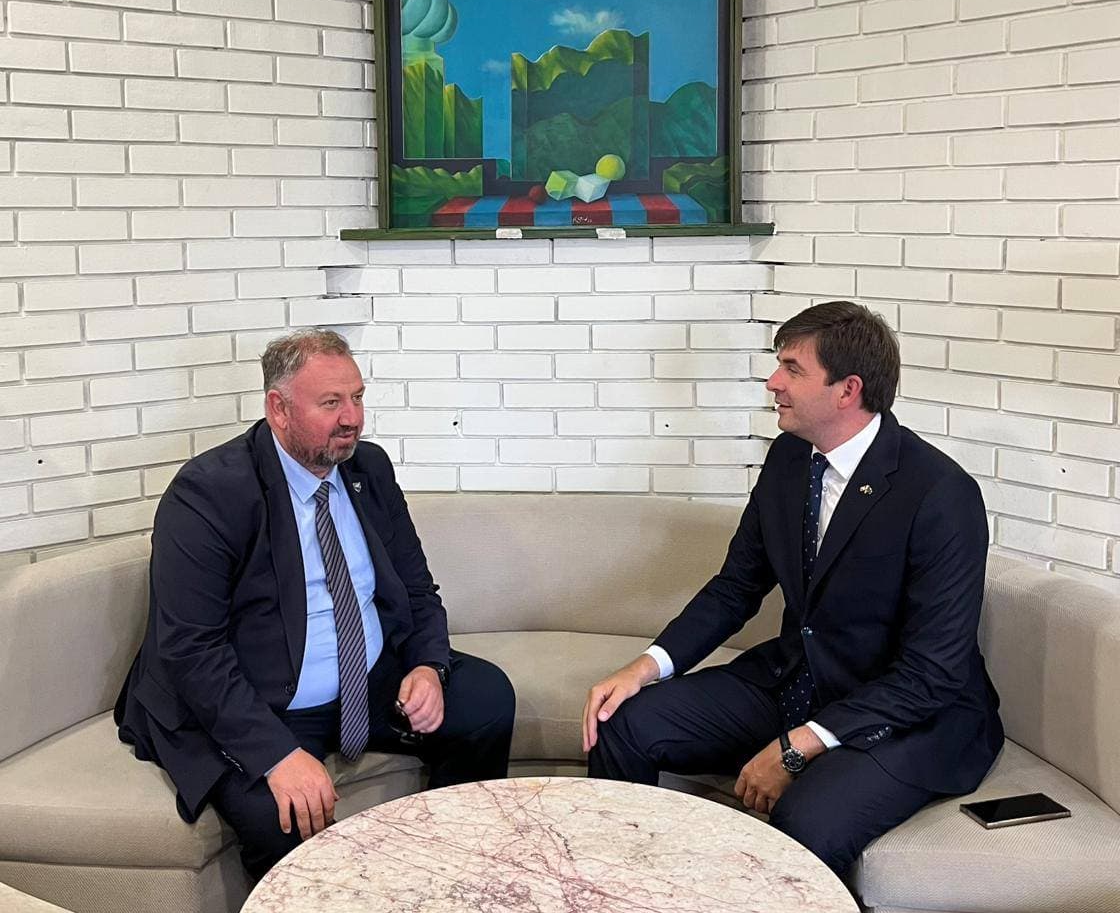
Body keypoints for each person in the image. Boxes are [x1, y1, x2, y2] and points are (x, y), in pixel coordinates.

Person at [583, 301, 1003, 874]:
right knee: (624, 722)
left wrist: (798, 745)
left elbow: (931, 673)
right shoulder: (788, 459)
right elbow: (736, 587)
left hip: (907, 716)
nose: (772, 382)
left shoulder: (940, 493)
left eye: (792, 369)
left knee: (807, 821)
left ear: (847, 390)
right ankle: (618, 885)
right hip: (795, 680)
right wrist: (645, 667)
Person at [116, 328, 515, 880]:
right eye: (331, 403)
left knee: (486, 700)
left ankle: (451, 874)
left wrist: (428, 665)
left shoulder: (368, 469)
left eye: (357, 397)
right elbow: (190, 649)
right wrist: (276, 755)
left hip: (366, 678)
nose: (352, 418)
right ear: (278, 409)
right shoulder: (208, 493)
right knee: (283, 816)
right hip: (263, 698)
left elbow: (417, 588)